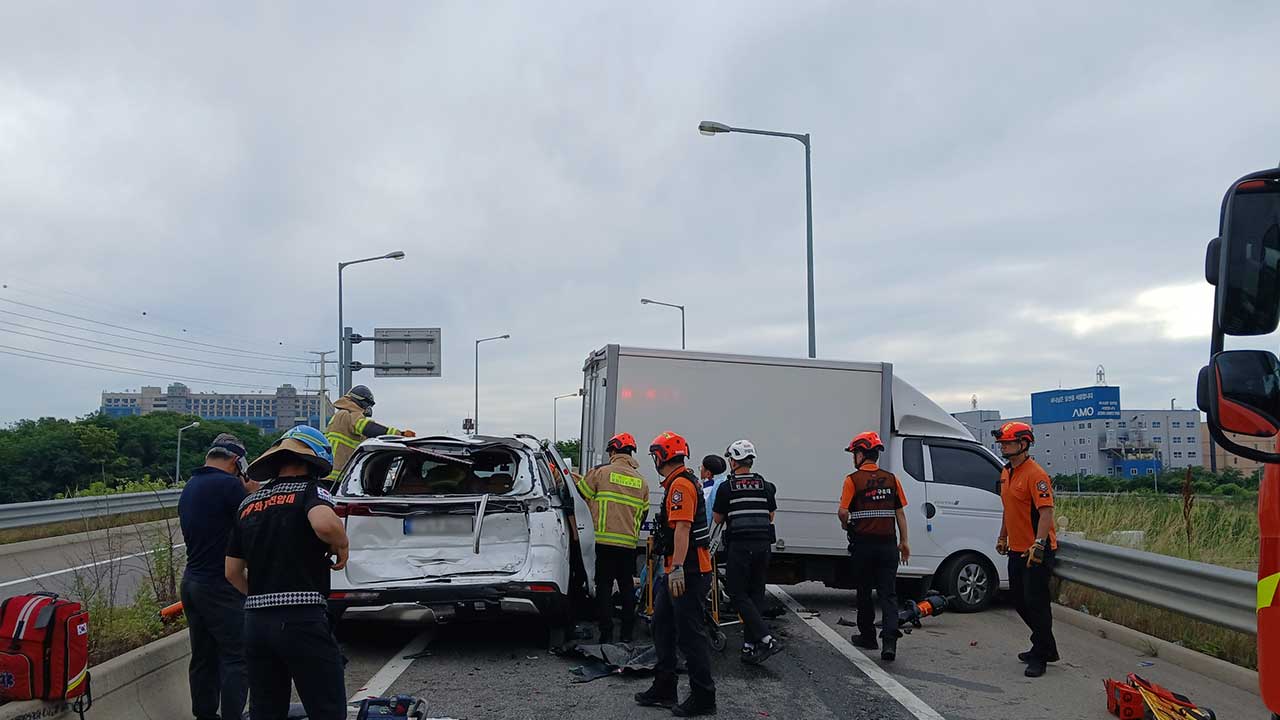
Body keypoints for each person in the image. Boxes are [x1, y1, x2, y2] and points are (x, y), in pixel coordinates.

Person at [225, 426, 350, 720]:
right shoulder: (312, 491)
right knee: (326, 707)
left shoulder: (248, 503)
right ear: (314, 462)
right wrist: (341, 544)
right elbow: (323, 524)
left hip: (255, 623)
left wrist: (261, 594)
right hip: (302, 619)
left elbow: (231, 571)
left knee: (266, 709)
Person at [635, 431, 716, 717]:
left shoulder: (681, 485)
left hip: (688, 571)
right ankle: (665, 686)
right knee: (662, 626)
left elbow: (682, 529)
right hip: (677, 569)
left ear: (663, 456)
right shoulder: (679, 482)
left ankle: (704, 697)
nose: (654, 460)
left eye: (655, 455)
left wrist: (678, 569)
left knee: (690, 635)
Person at [178, 433, 257, 720]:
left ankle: (204, 715)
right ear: (237, 462)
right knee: (238, 656)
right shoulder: (228, 486)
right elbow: (253, 524)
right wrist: (251, 492)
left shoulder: (191, 485)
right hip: (220, 584)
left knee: (203, 658)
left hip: (192, 582)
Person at [992, 421, 1060, 678]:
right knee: (1019, 601)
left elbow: (1046, 513)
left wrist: (1039, 544)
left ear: (1023, 444)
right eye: (1002, 443)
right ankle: (1046, 645)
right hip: (1016, 549)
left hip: (1035, 551)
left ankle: (1041, 655)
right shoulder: (1006, 472)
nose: (1004, 447)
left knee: (1037, 604)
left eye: (1008, 443)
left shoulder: (1036, 475)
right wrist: (1002, 537)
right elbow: (1009, 510)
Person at [837, 431, 910, 662]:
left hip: (863, 546)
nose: (853, 458)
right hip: (888, 545)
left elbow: (843, 511)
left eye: (854, 453)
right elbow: (900, 513)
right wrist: (904, 542)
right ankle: (890, 643)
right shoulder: (891, 479)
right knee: (888, 595)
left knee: (864, 592)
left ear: (861, 454)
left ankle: (868, 636)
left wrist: (845, 523)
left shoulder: (853, 480)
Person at [575, 432, 650, 643]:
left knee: (605, 588)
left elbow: (581, 494)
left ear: (614, 451)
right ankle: (627, 634)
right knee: (626, 587)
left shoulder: (601, 473)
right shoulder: (641, 482)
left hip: (603, 542)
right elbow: (643, 513)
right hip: (628, 544)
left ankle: (606, 635)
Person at [711, 439, 782, 665]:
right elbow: (771, 515)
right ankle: (750, 647)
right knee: (755, 594)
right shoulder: (765, 485)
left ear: (734, 461)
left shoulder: (727, 487)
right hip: (763, 546)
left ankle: (766, 638)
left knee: (737, 593)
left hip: (740, 546)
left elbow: (717, 518)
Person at [324, 385, 415, 481]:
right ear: (362, 402)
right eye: (368, 405)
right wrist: (400, 434)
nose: (367, 409)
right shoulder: (350, 414)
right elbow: (369, 428)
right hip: (337, 476)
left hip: (330, 473)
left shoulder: (339, 416)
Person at [699, 454, 727, 526]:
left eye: (701, 468)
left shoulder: (707, 492)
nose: (700, 471)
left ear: (708, 474)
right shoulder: (725, 483)